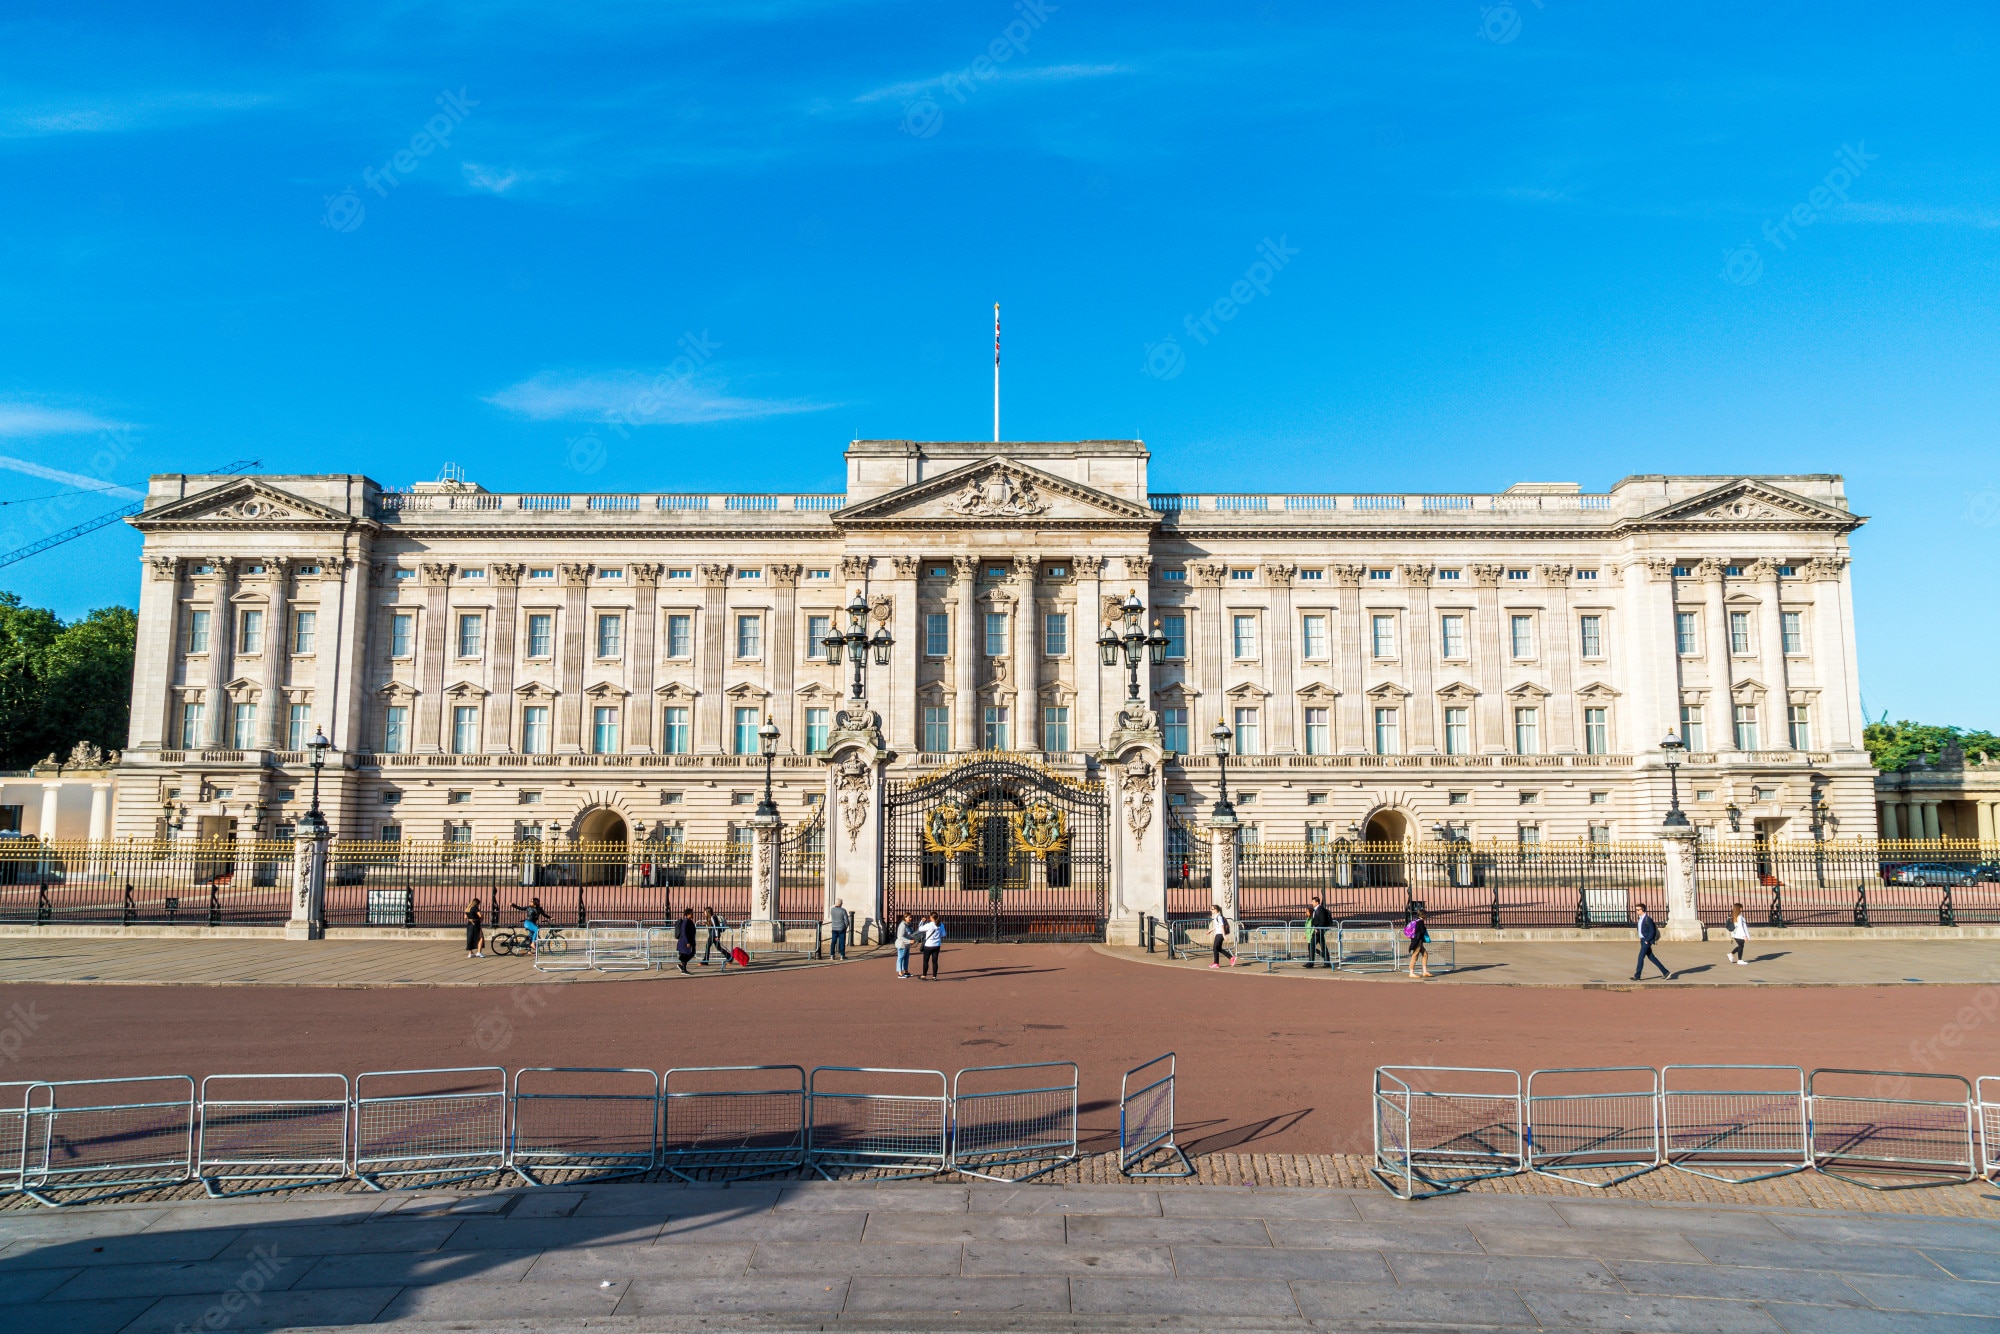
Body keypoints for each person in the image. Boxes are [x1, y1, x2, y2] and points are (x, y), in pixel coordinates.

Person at [1632, 902, 1671, 981]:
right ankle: (1666, 972)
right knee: (1652, 957)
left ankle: (1637, 976)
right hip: (1642, 940)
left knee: (1640, 957)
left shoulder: (1648, 919)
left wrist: (1647, 940)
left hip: (1646, 941)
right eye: (1636, 910)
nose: (1637, 911)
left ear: (1642, 910)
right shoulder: (1640, 919)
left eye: (1638, 910)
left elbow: (1652, 931)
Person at [1305, 895, 1333, 968]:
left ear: (1317, 902)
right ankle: (1327, 962)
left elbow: (1322, 920)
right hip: (1318, 931)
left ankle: (1311, 962)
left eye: (1313, 902)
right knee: (1323, 946)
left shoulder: (1320, 909)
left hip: (1318, 931)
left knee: (1311, 945)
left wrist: (1317, 928)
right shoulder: (1316, 909)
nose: (1312, 903)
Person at [1208, 904, 1239, 969]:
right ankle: (1231, 957)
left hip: (1220, 934)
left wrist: (1224, 935)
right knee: (1218, 948)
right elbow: (1217, 926)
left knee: (1215, 948)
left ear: (1216, 910)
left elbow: (1222, 926)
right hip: (1219, 933)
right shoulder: (1217, 916)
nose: (1211, 910)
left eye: (1212, 909)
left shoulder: (1219, 917)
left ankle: (1216, 963)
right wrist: (1210, 930)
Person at [1405, 907, 1432, 979]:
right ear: (1423, 915)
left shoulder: (1416, 920)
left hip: (1416, 940)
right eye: (1426, 915)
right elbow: (1422, 931)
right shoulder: (1420, 922)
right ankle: (1411, 972)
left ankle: (1425, 971)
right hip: (1418, 941)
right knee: (1415, 955)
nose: (1426, 916)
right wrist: (1425, 928)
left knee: (1425, 954)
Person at [918, 911, 945, 979]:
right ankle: (934, 976)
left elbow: (920, 929)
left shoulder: (929, 925)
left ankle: (924, 975)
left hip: (928, 945)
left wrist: (922, 922)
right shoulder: (941, 924)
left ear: (931, 917)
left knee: (926, 961)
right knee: (935, 961)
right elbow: (943, 934)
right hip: (937, 945)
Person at [674, 907, 697, 975]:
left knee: (691, 953)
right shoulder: (686, 921)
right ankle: (683, 969)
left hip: (689, 941)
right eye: (691, 913)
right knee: (686, 954)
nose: (693, 915)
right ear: (688, 914)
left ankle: (682, 966)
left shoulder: (689, 921)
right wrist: (687, 942)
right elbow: (684, 932)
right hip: (685, 942)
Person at [894, 913, 914, 978]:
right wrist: (909, 941)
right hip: (901, 945)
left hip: (907, 945)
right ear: (905, 918)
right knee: (900, 958)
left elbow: (909, 934)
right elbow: (900, 936)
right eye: (909, 917)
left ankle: (906, 971)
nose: (910, 918)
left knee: (906, 958)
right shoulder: (902, 925)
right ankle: (900, 973)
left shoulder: (907, 925)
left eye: (911, 917)